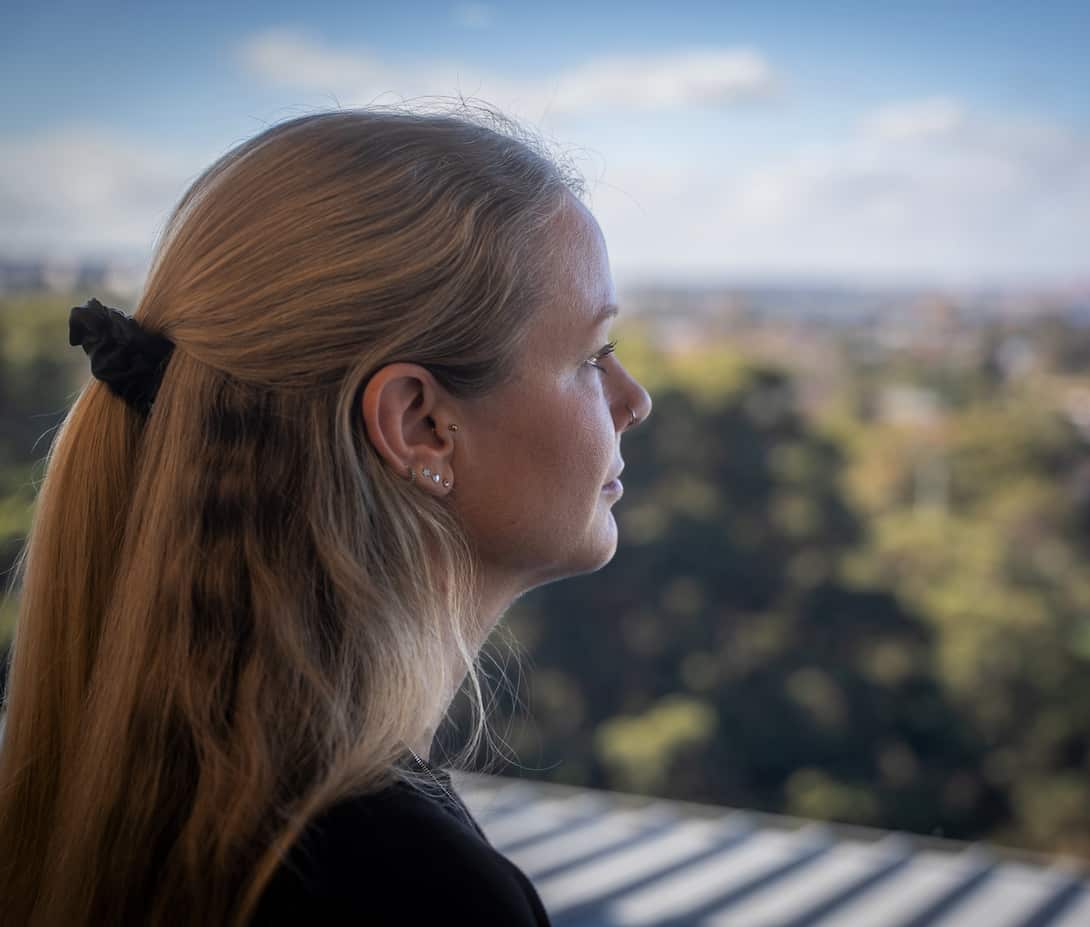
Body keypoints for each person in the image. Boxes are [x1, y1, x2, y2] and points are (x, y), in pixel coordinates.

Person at [0, 106, 652, 926]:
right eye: (593, 357)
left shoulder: (103, 804)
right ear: (421, 424)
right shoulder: (409, 893)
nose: (636, 400)